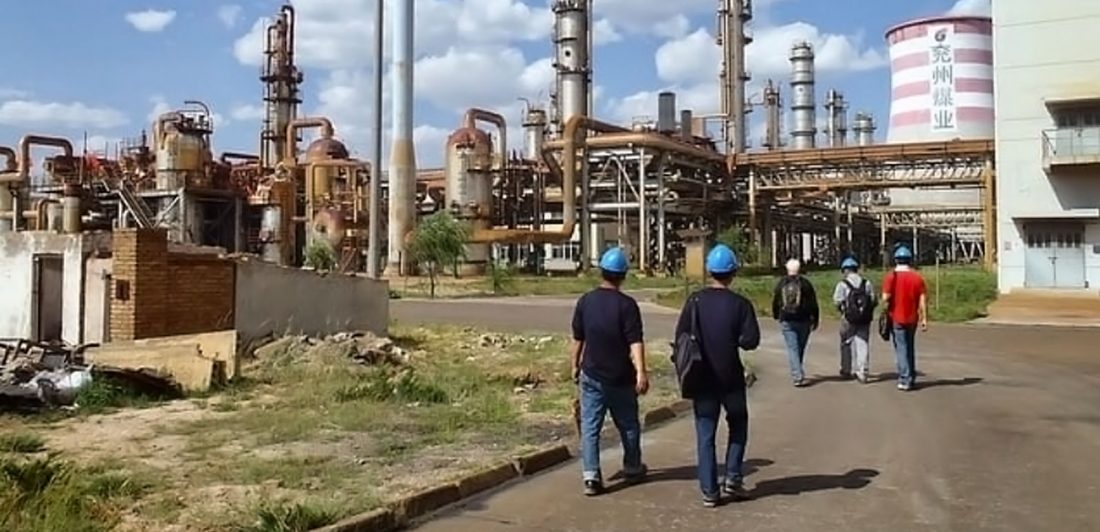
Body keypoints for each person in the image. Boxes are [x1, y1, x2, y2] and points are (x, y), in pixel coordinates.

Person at [675, 244, 761, 508]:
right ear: (733, 272)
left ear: (709, 270)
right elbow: (750, 341)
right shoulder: (741, 304)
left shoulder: (695, 301)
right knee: (738, 425)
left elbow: (680, 336)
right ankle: (733, 478)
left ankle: (710, 491)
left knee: (705, 434)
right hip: (731, 379)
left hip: (702, 378)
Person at [570, 247, 649, 496]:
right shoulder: (627, 306)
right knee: (628, 424)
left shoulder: (586, 301)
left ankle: (591, 476)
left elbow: (578, 338)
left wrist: (574, 364)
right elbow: (635, 341)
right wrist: (641, 372)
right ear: (623, 275)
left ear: (601, 271)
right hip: (621, 377)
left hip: (591, 373)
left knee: (591, 427)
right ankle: (633, 467)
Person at [881, 245, 927, 391]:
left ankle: (904, 379)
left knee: (901, 348)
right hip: (912, 318)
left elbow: (885, 298)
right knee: (910, 347)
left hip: (897, 317)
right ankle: (911, 376)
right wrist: (924, 318)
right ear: (910, 260)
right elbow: (922, 299)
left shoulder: (891, 276)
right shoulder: (917, 277)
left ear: (896, 260)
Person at [771, 258, 820, 387]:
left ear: (787, 269)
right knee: (800, 347)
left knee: (792, 348)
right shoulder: (806, 284)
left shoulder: (781, 283)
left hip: (787, 319)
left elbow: (776, 301)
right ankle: (798, 372)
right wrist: (815, 319)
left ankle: (797, 375)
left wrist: (776, 315)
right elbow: (813, 303)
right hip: (804, 320)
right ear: (799, 269)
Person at [832, 257, 876, 383]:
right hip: (864, 319)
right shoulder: (866, 283)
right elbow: (873, 300)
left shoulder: (842, 284)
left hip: (848, 319)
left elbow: (837, 301)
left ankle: (846, 369)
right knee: (863, 344)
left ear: (845, 270)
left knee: (846, 343)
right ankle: (862, 372)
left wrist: (842, 311)